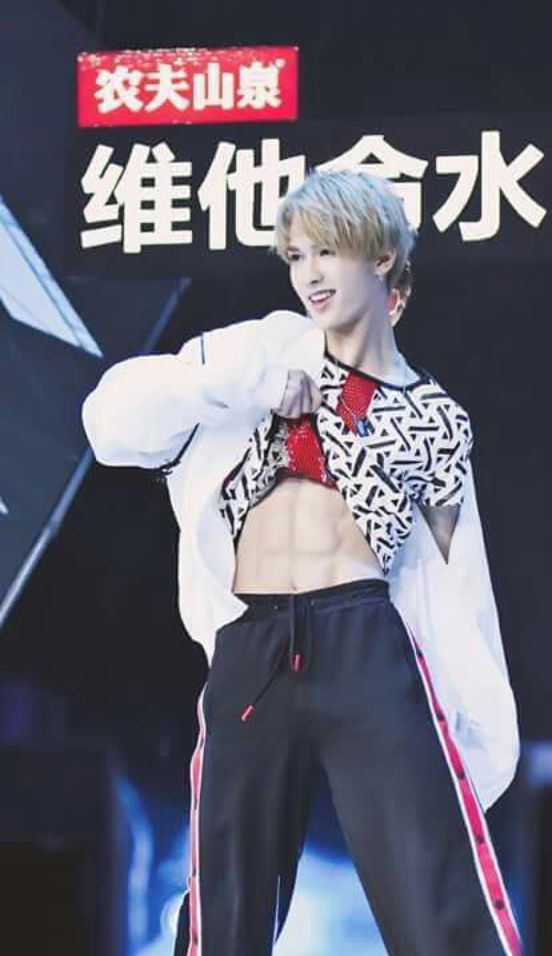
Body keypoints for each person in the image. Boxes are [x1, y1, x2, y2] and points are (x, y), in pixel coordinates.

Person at [82, 169, 522, 956]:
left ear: (381, 258)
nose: (310, 273)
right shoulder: (257, 351)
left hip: (365, 643)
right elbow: (110, 424)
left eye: (328, 252)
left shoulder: (431, 417)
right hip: (253, 649)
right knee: (224, 910)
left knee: (437, 903)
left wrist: (481, 729)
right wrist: (240, 385)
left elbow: (462, 584)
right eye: (296, 256)